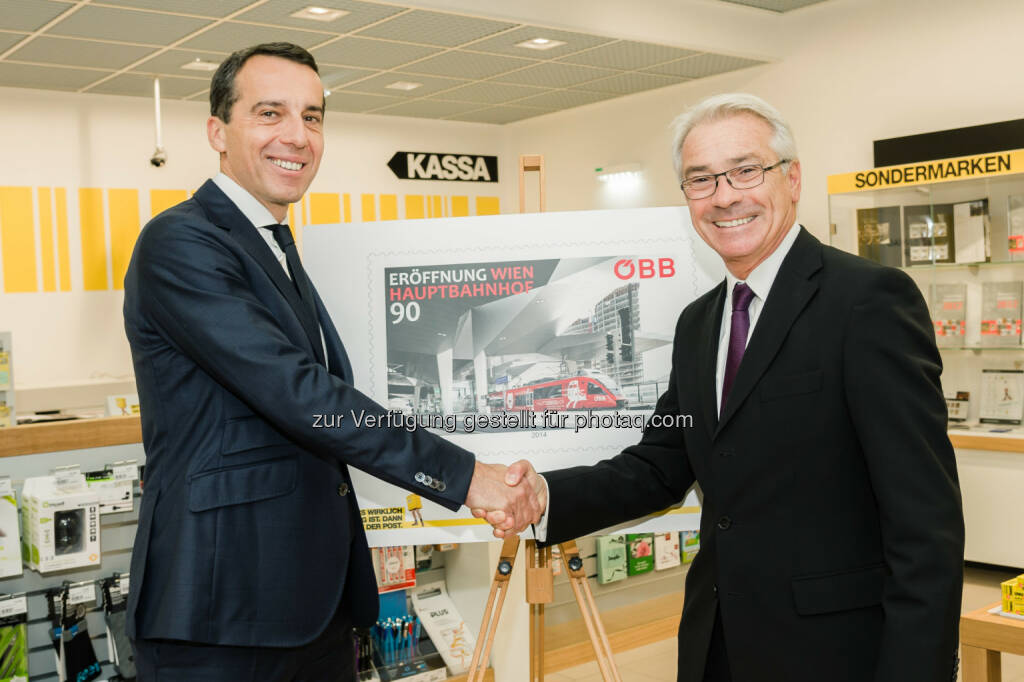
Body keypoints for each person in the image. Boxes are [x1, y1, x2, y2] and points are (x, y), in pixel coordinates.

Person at [497, 93, 965, 681]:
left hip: (838, 652)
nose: (725, 196)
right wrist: (541, 496)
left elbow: (925, 519)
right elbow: (660, 466)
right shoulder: (699, 323)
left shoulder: (868, 301)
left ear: (792, 179)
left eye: (746, 170)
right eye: (701, 180)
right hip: (717, 643)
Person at [122, 42, 544, 681]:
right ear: (218, 131)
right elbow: (302, 396)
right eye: (270, 113)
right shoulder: (181, 241)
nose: (297, 136)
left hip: (309, 603)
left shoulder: (274, 246)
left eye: (313, 117)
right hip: (223, 607)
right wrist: (468, 477)